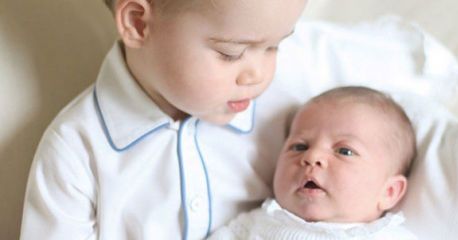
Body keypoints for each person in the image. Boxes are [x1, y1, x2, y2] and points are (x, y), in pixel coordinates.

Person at [20, 0, 307, 239]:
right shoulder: (76, 150)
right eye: (230, 53)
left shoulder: (288, 115)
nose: (257, 74)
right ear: (138, 23)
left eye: (274, 47)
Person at [208, 86, 418, 239]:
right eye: (299, 146)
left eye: (344, 151)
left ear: (388, 192)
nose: (311, 156)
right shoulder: (251, 226)